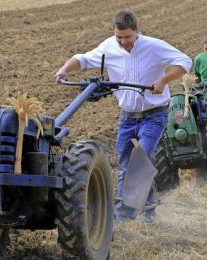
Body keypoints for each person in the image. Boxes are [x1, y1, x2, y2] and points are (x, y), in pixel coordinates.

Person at [54, 10, 192, 223]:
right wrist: (64, 70)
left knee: (141, 158)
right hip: (127, 117)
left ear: (137, 30)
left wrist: (163, 81)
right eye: (119, 37)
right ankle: (146, 212)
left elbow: (184, 61)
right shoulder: (108, 47)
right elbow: (82, 60)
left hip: (154, 114)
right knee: (127, 164)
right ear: (114, 33)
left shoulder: (153, 46)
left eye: (128, 37)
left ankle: (125, 215)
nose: (123, 42)